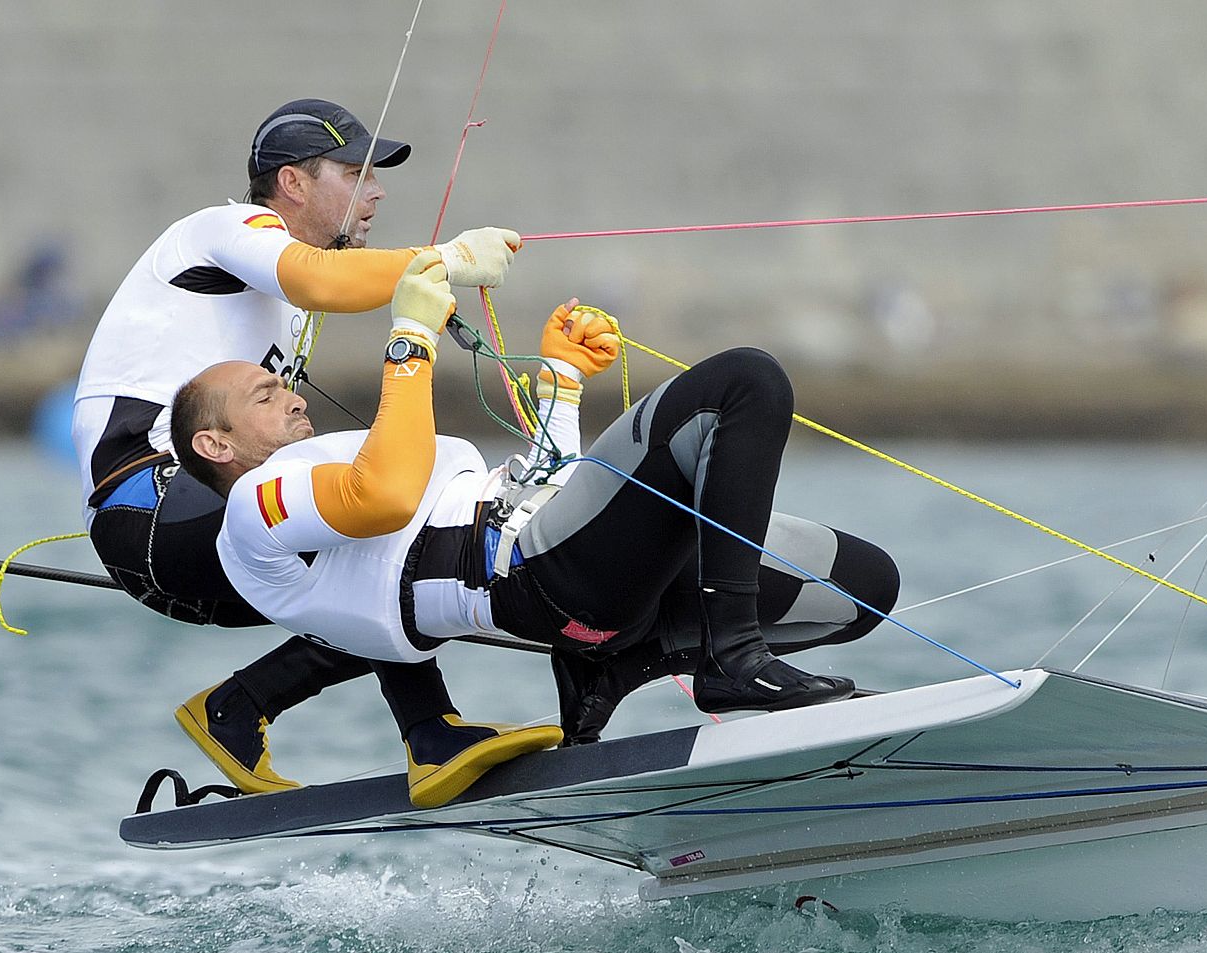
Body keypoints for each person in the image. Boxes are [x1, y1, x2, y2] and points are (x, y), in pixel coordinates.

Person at [170, 254, 900, 808]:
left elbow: (549, 496)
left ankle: (618, 665)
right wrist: (408, 337)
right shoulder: (255, 504)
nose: (292, 397)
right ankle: (731, 658)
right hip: (538, 578)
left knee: (865, 589)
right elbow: (387, 496)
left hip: (570, 563)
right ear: (215, 446)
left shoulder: (320, 488)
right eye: (266, 394)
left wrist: (560, 384)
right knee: (744, 381)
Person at [72, 97, 550, 798]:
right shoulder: (222, 228)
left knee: (375, 520)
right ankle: (426, 730)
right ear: (293, 181)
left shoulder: (283, 289)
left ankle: (245, 709)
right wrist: (442, 260)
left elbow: (319, 285)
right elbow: (324, 281)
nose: (377, 191)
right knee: (376, 505)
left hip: (208, 537)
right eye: (355, 173)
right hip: (150, 510)